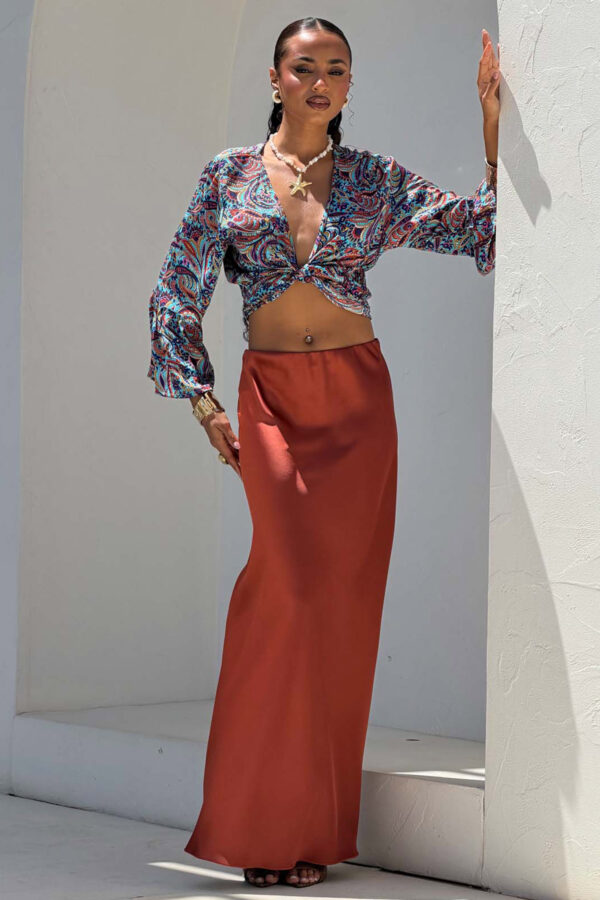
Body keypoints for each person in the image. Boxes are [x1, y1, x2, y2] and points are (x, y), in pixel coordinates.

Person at [146, 15, 500, 890]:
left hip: (357, 406)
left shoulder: (373, 180)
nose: (320, 82)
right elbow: (176, 289)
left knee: (339, 612)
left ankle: (310, 832)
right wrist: (202, 400)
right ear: (275, 79)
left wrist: (492, 136)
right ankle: (256, 824)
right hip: (269, 403)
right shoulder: (228, 176)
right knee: (289, 591)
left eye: (336, 69)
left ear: (348, 85)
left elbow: (475, 230)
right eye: (304, 67)